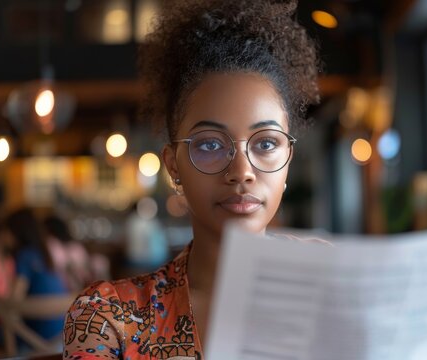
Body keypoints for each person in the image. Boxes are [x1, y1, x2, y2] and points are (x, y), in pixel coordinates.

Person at [63, 1, 320, 359]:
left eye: (265, 143)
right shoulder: (111, 318)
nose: (242, 171)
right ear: (173, 167)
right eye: (211, 144)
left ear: (288, 158)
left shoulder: (337, 290)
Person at [6, 208, 68, 342]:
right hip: (59, 338)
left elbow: (13, 302)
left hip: (33, 338)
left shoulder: (24, 256)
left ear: (16, 232)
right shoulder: (45, 254)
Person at [44, 214, 93, 291]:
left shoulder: (51, 244)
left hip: (60, 289)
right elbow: (87, 270)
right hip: (80, 289)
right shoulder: (77, 246)